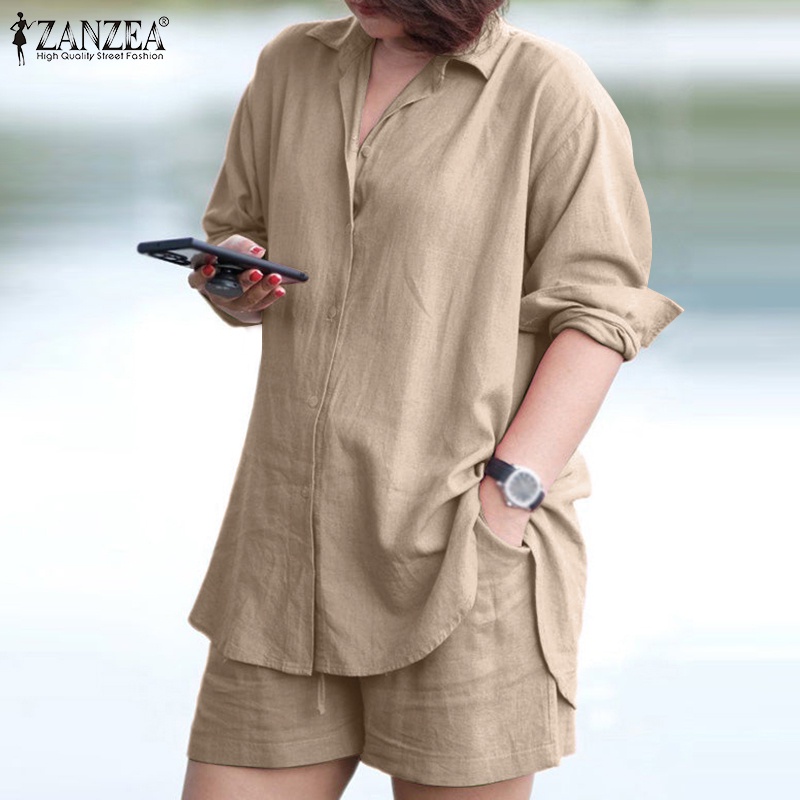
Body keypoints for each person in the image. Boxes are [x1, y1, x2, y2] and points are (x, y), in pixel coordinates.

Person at [181, 1, 683, 798]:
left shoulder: (549, 91)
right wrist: (235, 283)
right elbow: (238, 227)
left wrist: (505, 503)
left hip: (460, 552)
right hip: (283, 559)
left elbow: (600, 316)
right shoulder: (290, 65)